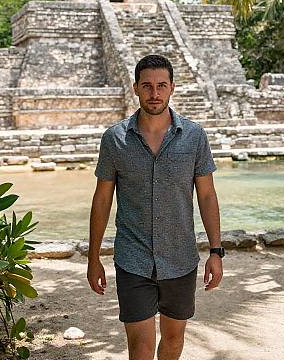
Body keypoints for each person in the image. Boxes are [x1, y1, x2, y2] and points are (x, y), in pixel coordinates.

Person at [87, 54, 224, 360]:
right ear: (135, 88)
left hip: (180, 258)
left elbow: (207, 196)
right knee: (141, 348)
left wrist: (216, 252)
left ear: (172, 87)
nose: (154, 93)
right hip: (133, 259)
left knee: (174, 340)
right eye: (147, 86)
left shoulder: (194, 136)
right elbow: (102, 199)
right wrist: (93, 257)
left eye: (161, 85)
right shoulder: (114, 139)